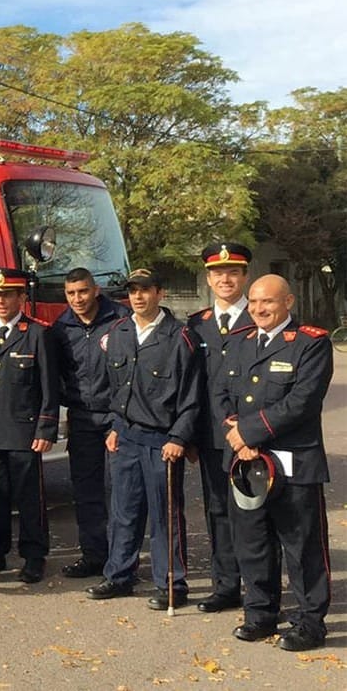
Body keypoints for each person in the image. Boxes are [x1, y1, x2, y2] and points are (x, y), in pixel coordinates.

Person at [218, 274, 334, 651]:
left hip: (293, 464)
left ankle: (309, 623)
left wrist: (250, 433)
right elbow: (219, 393)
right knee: (253, 541)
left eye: (267, 302)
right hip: (246, 462)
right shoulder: (239, 342)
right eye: (253, 302)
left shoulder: (310, 344)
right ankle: (260, 614)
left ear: (289, 302)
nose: (258, 309)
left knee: (301, 547)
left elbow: (302, 402)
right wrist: (237, 436)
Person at [86, 268, 201, 610]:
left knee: (165, 516)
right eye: (132, 291)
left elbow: (191, 395)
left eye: (145, 290)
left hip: (162, 441)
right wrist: (113, 427)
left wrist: (179, 436)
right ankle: (119, 575)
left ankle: (171, 584)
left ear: (160, 293)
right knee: (124, 511)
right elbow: (111, 387)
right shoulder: (119, 332)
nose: (137, 297)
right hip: (126, 438)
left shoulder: (179, 337)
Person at [0, 268, 59, 584]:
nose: (1, 300)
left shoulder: (37, 334)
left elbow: (49, 388)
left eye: (7, 294)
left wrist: (46, 429)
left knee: (30, 500)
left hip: (23, 432)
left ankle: (33, 556)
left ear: (21, 297)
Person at [49, 267, 130, 579]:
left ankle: (123, 560)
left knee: (124, 494)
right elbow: (54, 373)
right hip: (82, 418)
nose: (77, 299)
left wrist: (121, 418)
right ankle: (94, 556)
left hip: (118, 418)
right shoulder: (62, 327)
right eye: (71, 293)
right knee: (86, 493)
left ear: (95, 290)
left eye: (83, 291)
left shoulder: (120, 319)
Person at [186, 242, 253, 613]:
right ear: (209, 279)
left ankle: (261, 587)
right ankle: (226, 586)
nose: (225, 279)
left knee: (256, 513)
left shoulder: (259, 318)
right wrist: (192, 435)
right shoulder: (197, 324)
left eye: (233, 272)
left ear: (244, 276)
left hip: (253, 437)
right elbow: (191, 384)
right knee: (218, 511)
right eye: (217, 273)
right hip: (212, 437)